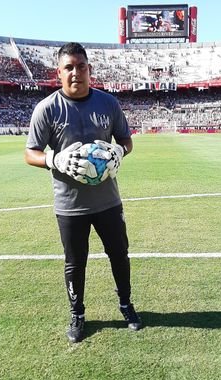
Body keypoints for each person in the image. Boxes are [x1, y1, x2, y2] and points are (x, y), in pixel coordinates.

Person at [24, 42, 142, 343]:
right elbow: (30, 153)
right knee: (75, 261)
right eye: (69, 67)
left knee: (119, 254)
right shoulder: (47, 109)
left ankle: (126, 305)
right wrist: (54, 159)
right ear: (59, 73)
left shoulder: (108, 104)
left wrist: (119, 150)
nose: (76, 72)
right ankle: (77, 314)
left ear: (89, 69)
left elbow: (127, 141)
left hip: (108, 201)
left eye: (81, 66)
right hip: (70, 204)